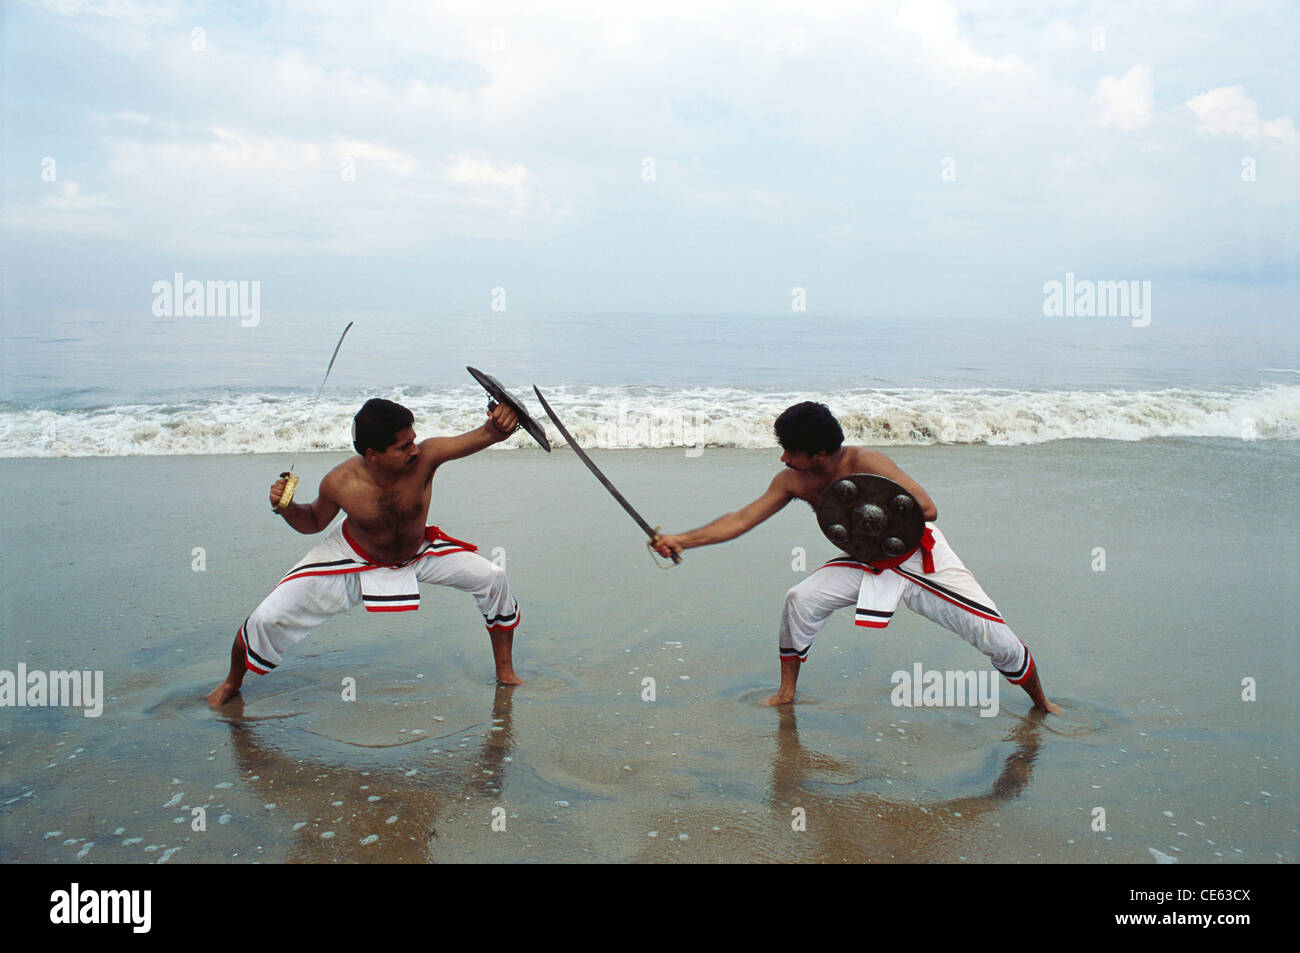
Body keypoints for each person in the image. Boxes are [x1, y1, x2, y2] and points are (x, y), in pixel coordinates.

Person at [652, 401, 1062, 713]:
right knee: (801, 599)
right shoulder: (792, 480)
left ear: (818, 454)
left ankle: (1041, 703)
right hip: (867, 560)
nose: (783, 458)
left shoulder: (866, 461)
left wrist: (872, 504)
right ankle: (786, 692)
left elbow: (927, 508)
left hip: (919, 555)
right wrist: (682, 540)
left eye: (790, 451)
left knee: (995, 637)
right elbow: (741, 519)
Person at [206, 397, 524, 706]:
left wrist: (502, 422)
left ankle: (505, 672)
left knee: (493, 579)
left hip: (418, 551)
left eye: (414, 440)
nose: (415, 449)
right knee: (266, 618)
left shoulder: (427, 456)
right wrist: (286, 508)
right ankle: (232, 682)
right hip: (353, 556)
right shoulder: (340, 482)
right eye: (404, 446)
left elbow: (488, 434)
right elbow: (313, 521)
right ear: (372, 454)